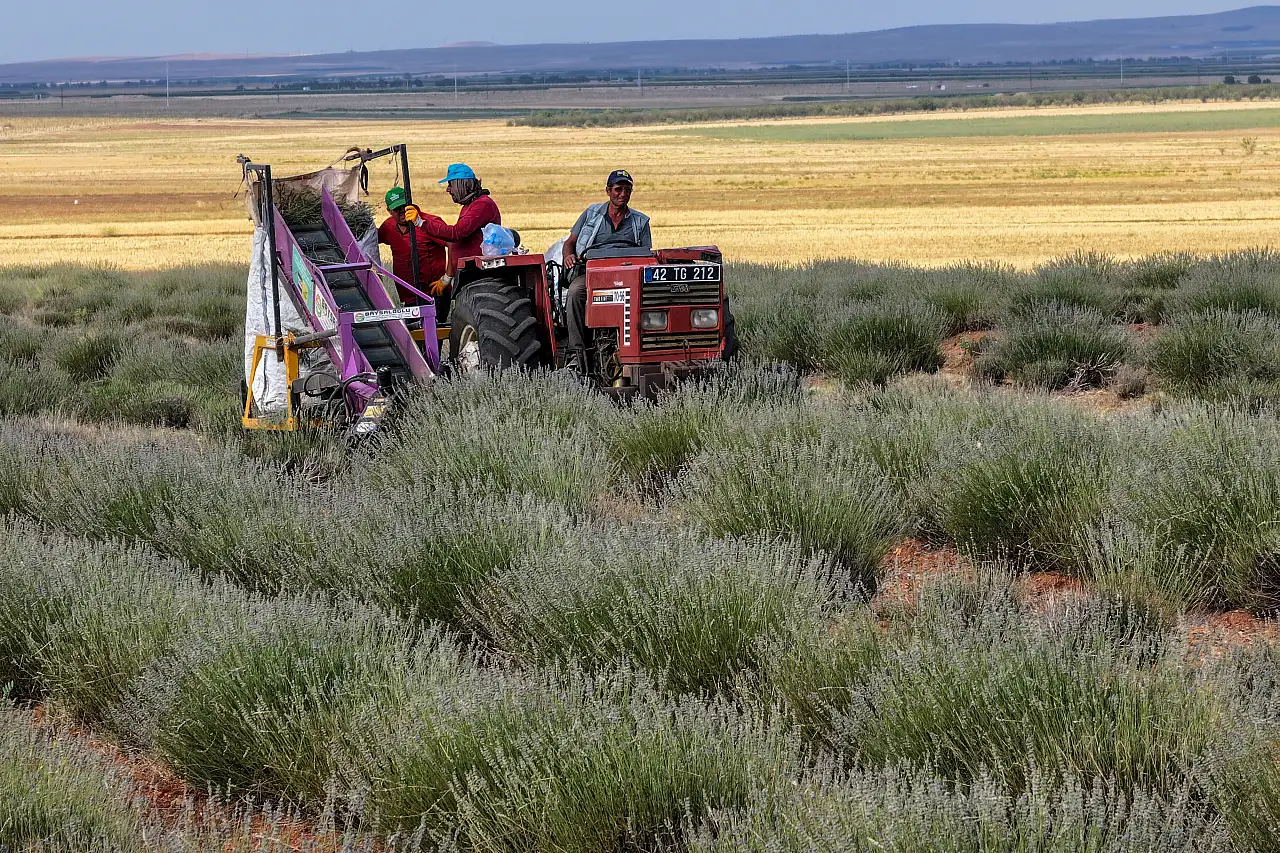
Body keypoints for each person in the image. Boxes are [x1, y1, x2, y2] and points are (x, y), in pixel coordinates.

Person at [561, 169, 652, 370]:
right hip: (593, 273)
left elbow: (647, 254)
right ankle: (577, 353)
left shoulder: (641, 221)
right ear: (608, 191)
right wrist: (569, 256)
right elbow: (570, 243)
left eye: (627, 190)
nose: (623, 194)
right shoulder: (591, 214)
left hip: (628, 275)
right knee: (576, 292)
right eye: (618, 189)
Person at [403, 164, 501, 315]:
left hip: (480, 275)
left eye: (450, 184)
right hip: (469, 275)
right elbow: (456, 245)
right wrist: (447, 277)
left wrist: (420, 223)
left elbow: (456, 233)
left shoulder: (482, 205)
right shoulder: (469, 206)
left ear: (462, 184)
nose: (447, 190)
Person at [377, 186, 446, 308]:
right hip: (408, 298)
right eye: (397, 208)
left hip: (433, 295)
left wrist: (447, 278)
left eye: (404, 205)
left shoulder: (430, 222)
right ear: (389, 210)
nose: (402, 211)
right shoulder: (388, 227)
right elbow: (371, 240)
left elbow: (453, 244)